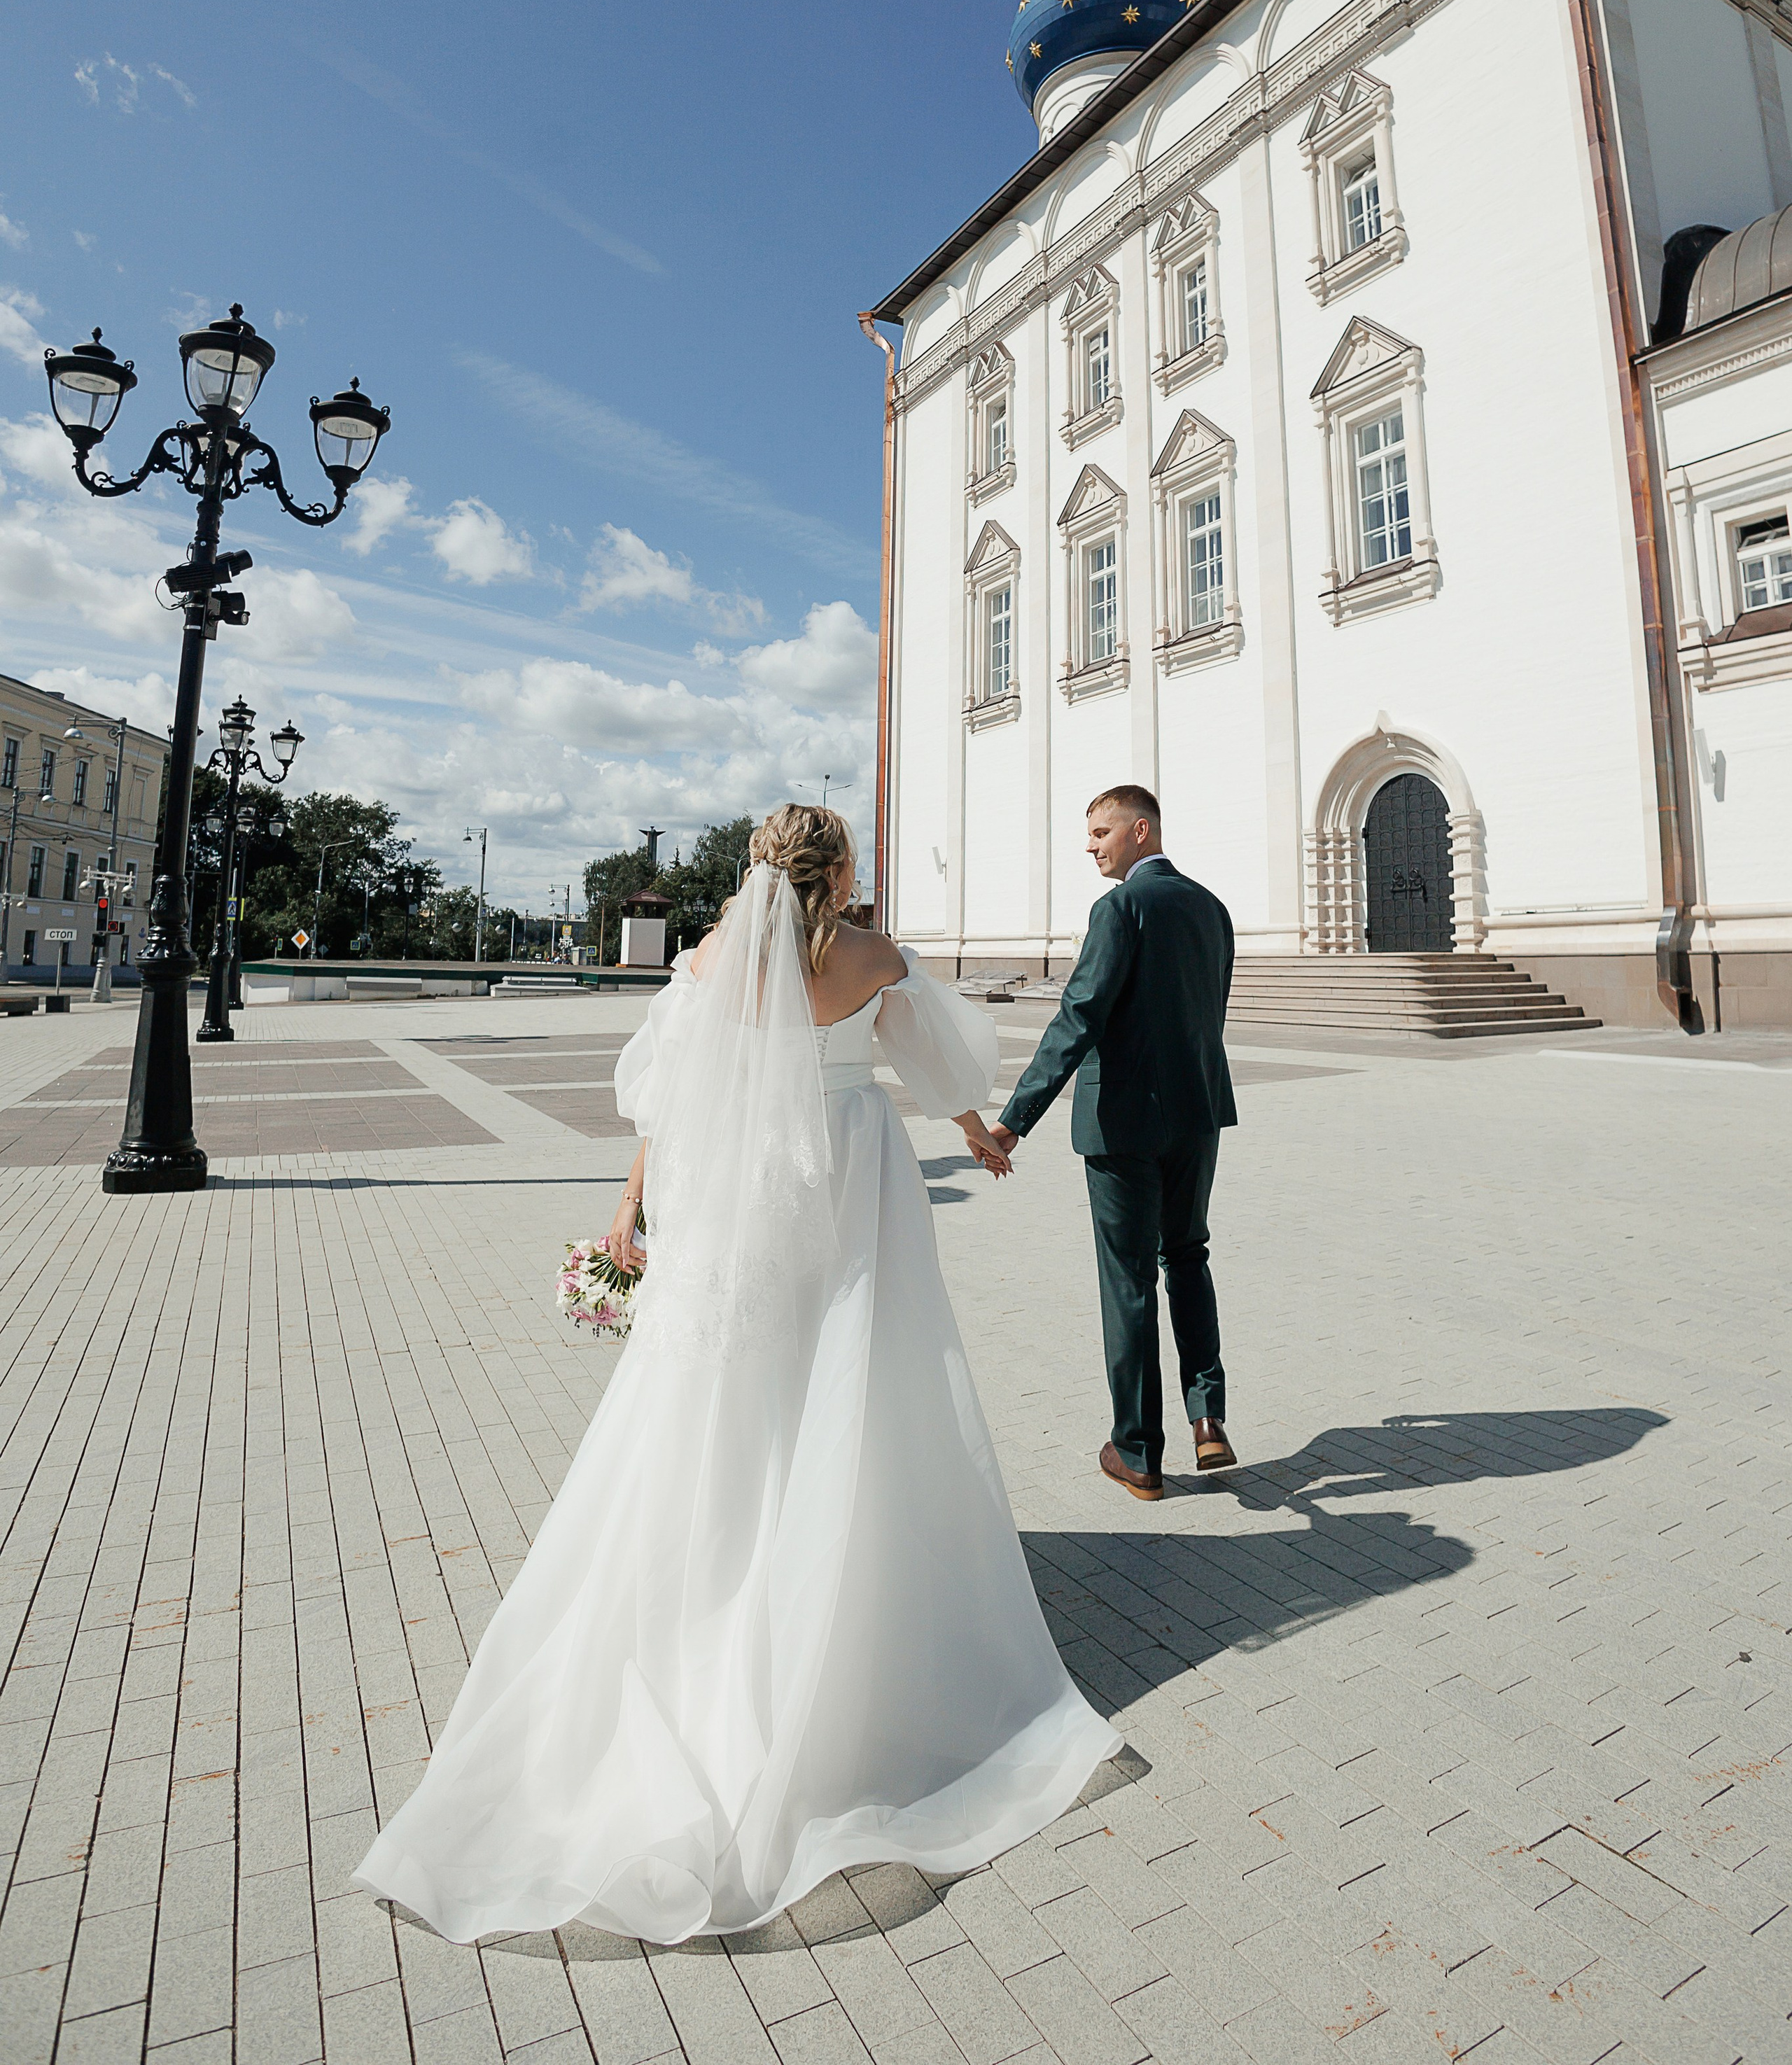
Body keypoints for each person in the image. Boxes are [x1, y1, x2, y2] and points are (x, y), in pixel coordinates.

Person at [354, 804, 1118, 1946]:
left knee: (724, 1398)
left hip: (735, 1200)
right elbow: (930, 1058)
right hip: (851, 1186)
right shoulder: (870, 953)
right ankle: (835, 1587)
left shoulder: (708, 959)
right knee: (849, 1384)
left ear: (759, 873)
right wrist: (977, 1126)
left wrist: (628, 1209)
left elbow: (665, 1096)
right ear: (840, 869)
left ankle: (713, 1576)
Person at [970, 785, 1237, 1503]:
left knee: (1128, 1282)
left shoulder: (1120, 908)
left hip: (1124, 1124)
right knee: (1187, 1255)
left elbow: (1078, 1015)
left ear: (1140, 830)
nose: (1090, 845)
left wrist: (1012, 1119)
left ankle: (1138, 1453)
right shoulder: (1212, 909)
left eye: (1100, 832)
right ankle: (1207, 1417)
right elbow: (1207, 1011)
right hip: (1198, 1115)